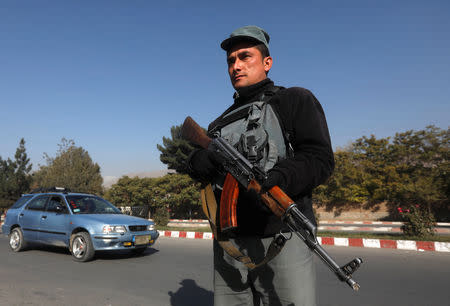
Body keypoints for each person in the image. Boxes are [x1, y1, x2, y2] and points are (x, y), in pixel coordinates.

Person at [187, 25, 335, 306]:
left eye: (245, 57)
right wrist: (206, 159)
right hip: (229, 245)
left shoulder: (293, 99)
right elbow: (194, 166)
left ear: (267, 62)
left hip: (282, 237)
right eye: (231, 61)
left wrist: (279, 177)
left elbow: (320, 159)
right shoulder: (219, 123)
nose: (236, 66)